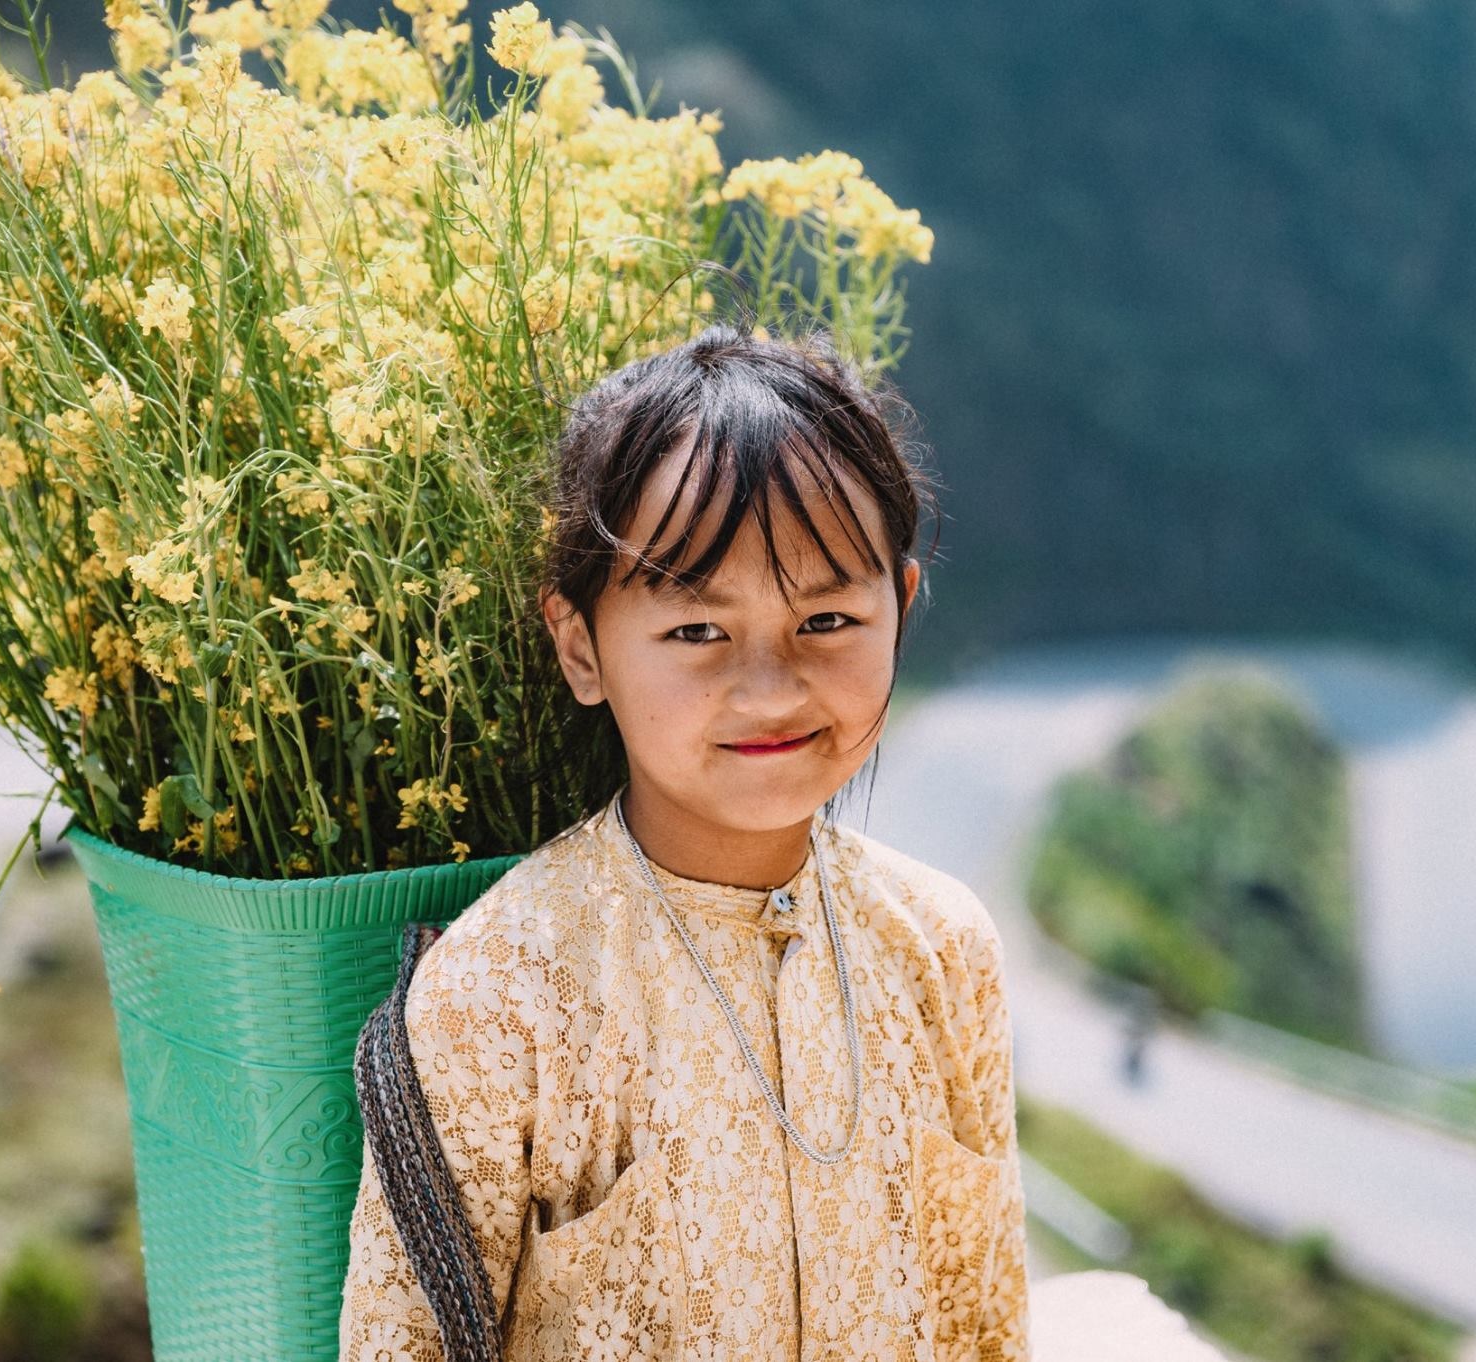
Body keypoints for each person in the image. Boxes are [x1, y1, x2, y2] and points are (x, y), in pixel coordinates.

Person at [339, 321, 1032, 1360]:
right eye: (696, 631)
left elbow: (989, 1326)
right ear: (581, 648)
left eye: (828, 620)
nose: (769, 686)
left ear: (900, 606)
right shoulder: (502, 993)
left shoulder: (940, 946)